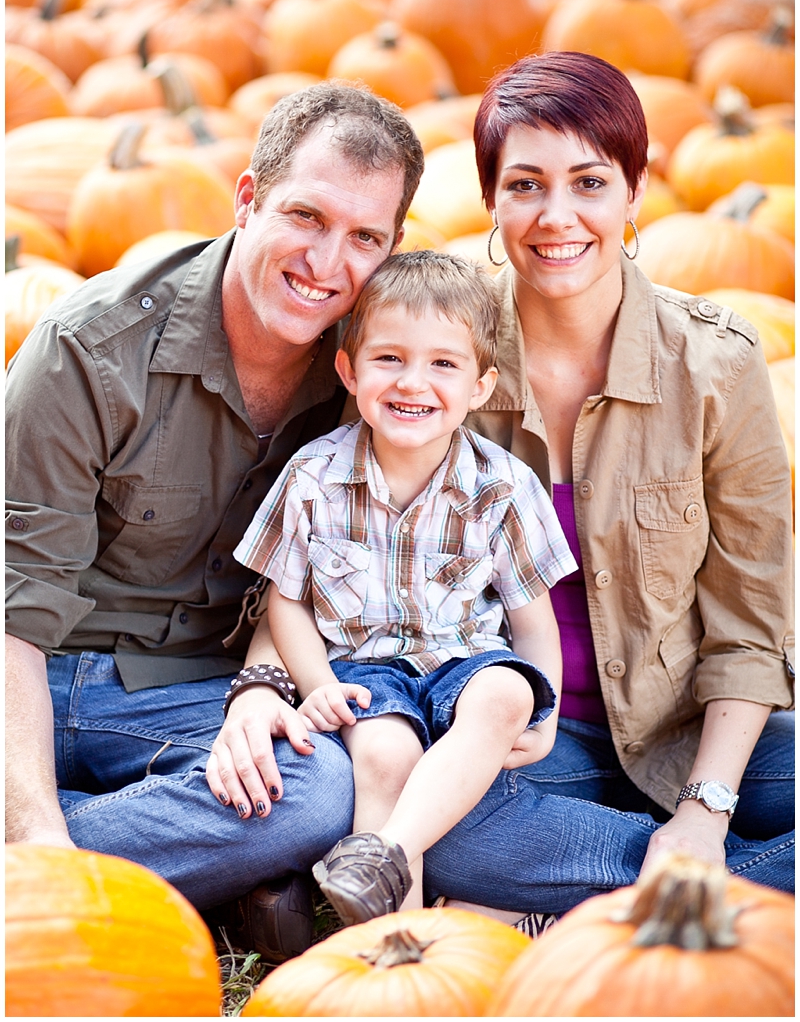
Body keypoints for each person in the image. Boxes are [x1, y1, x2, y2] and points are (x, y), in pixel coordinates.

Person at [5, 82, 425, 962]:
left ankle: (96, 856)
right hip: (41, 668)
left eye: (364, 238)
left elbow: (314, 583)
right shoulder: (91, 349)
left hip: (191, 692)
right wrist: (38, 833)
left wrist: (259, 691)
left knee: (317, 787)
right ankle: (72, 863)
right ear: (246, 198)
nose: (326, 261)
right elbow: (13, 615)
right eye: (304, 216)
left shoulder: (373, 375)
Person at [420, 51, 794, 933]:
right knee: (448, 833)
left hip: (683, 737)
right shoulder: (438, 349)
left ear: (635, 191)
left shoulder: (717, 363)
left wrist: (704, 809)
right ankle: (722, 898)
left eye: (589, 181)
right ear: (490, 199)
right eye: (525, 185)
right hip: (518, 752)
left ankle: (639, 885)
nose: (558, 217)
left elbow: (750, 621)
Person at [230, 250, 576, 927]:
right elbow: (287, 599)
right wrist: (318, 682)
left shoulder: (502, 486)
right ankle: (400, 939)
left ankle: (381, 852)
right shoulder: (314, 476)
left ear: (481, 384)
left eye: (443, 363)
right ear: (349, 370)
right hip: (365, 672)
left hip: (466, 665)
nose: (413, 381)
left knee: (510, 690)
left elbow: (534, 621)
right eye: (389, 358)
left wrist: (549, 713)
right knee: (386, 754)